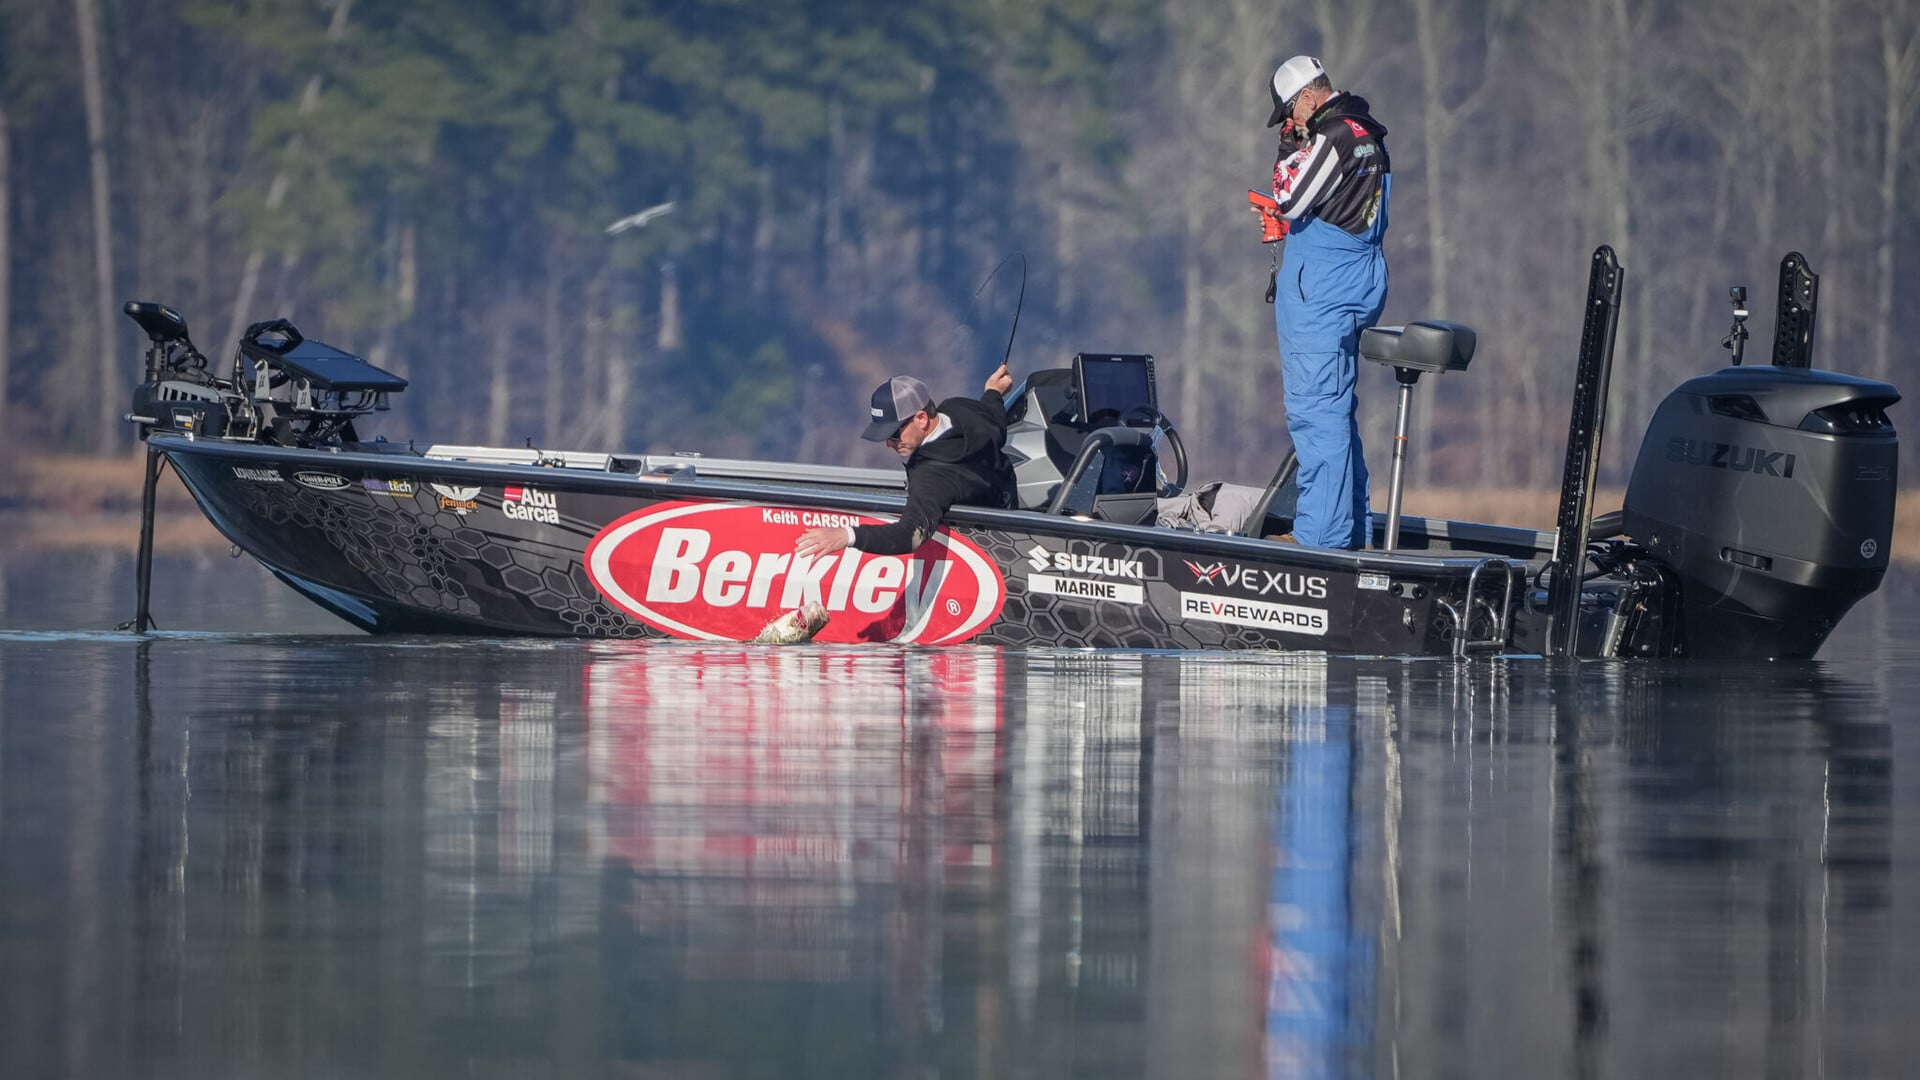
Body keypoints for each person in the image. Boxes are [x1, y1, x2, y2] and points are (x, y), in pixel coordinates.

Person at [1264, 55, 1391, 550]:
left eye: (1289, 114)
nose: (1290, 124)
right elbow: (1341, 206)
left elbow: (1291, 196)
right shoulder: (1369, 131)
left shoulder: (1333, 135)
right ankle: (1353, 528)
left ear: (1308, 98)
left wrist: (1285, 150)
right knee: (1337, 411)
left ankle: (1319, 541)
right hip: (1358, 279)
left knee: (1315, 413)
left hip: (1323, 293)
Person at [794, 365, 1017, 558]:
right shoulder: (961, 409)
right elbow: (994, 419)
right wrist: (993, 393)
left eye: (893, 434)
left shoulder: (932, 476)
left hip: (988, 546)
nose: (889, 444)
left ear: (921, 418)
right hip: (1009, 506)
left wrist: (847, 535)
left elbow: (910, 535)